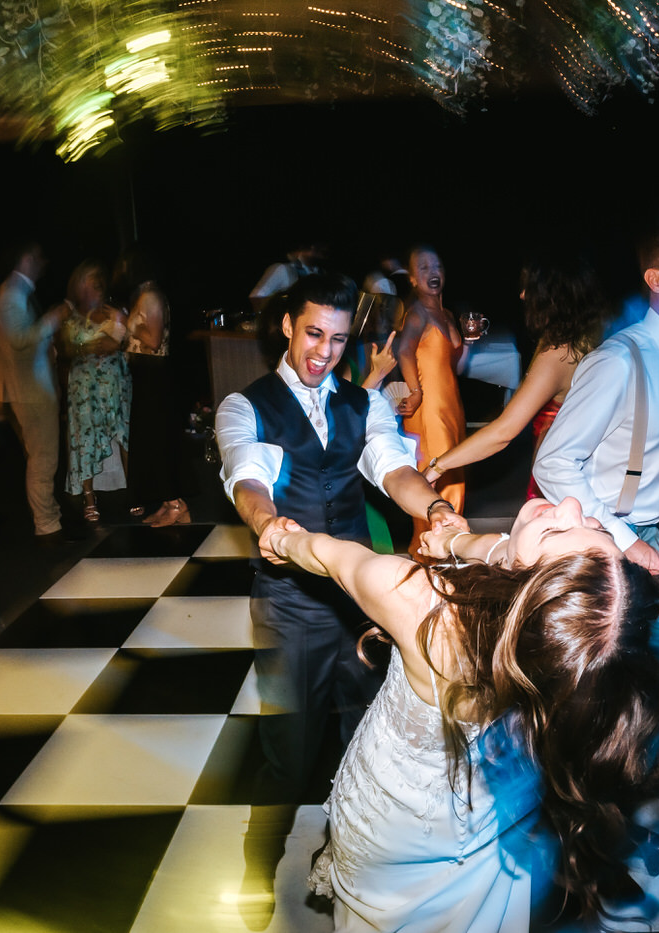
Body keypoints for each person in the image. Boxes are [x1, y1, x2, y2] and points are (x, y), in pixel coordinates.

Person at [262, 496, 659, 931]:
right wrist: (451, 541)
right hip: (492, 809)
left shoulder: (421, 604)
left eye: (557, 531)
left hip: (402, 816)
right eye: (598, 528)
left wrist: (282, 539)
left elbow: (331, 556)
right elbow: (506, 554)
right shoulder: (570, 642)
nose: (571, 504)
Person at [214, 272, 468, 922]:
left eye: (336, 337)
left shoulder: (365, 403)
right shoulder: (247, 404)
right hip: (290, 605)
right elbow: (249, 473)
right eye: (312, 333)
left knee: (367, 745)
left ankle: (357, 863)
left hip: (359, 607)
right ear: (287, 327)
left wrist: (435, 506)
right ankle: (257, 860)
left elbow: (392, 467)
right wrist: (266, 522)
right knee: (290, 755)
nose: (324, 350)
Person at [533, 220, 659, 741]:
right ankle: (589, 802)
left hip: (646, 539)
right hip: (599, 542)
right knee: (592, 695)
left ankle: (627, 786)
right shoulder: (619, 361)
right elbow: (553, 463)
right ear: (656, 279)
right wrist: (624, 544)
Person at [424, 255, 607, 500]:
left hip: (560, 482)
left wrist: (437, 467)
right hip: (570, 471)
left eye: (529, 287)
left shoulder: (559, 353)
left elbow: (504, 432)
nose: (522, 295)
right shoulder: (586, 337)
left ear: (551, 294)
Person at [0, 241, 68, 538]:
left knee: (42, 458)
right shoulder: (10, 296)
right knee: (43, 460)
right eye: (36, 255)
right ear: (25, 258)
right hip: (29, 392)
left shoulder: (14, 294)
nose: (41, 261)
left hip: (28, 390)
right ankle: (47, 527)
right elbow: (19, 338)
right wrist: (52, 320)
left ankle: (50, 521)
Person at [395, 246, 467, 545]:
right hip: (428, 412)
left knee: (455, 476)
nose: (432, 272)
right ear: (412, 279)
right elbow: (403, 350)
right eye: (423, 268)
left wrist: (469, 340)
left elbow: (454, 367)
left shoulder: (447, 314)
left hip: (450, 407)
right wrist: (415, 391)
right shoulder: (417, 314)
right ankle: (428, 552)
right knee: (436, 482)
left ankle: (448, 551)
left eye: (436, 266)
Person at [114, 250, 187, 527]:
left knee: (157, 442)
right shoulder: (145, 295)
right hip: (147, 375)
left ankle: (176, 505)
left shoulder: (150, 296)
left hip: (154, 376)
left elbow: (154, 340)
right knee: (152, 442)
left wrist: (124, 324)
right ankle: (170, 503)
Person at [59, 260, 131, 523]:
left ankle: (134, 492)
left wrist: (118, 335)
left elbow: (130, 341)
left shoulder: (115, 311)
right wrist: (87, 348)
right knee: (86, 439)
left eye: (98, 278)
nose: (96, 283)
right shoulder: (71, 315)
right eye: (89, 279)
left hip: (116, 384)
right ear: (79, 285)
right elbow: (66, 350)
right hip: (85, 388)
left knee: (125, 434)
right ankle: (89, 498)